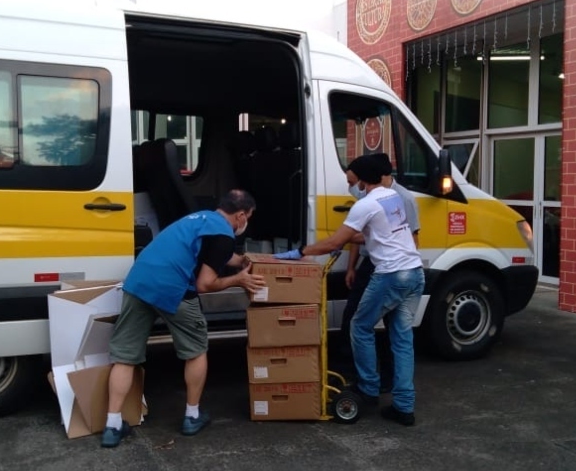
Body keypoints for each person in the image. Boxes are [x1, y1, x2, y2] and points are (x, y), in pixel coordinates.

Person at [102, 189, 266, 448]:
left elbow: (218, 254)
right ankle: (192, 416)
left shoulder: (199, 219)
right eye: (249, 217)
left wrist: (243, 261)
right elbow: (205, 284)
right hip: (173, 289)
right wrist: (239, 279)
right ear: (241, 215)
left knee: (125, 356)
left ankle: (111, 426)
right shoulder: (223, 234)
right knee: (196, 350)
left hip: (138, 283)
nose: (247, 223)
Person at [274, 154, 424, 426]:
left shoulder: (365, 204)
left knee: (359, 326)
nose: (351, 185)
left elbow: (334, 241)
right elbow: (373, 234)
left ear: (363, 180)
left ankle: (368, 388)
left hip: (390, 275)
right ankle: (404, 407)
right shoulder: (392, 199)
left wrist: (299, 252)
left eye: (353, 180)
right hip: (414, 273)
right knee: (402, 339)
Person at [340, 153, 420, 394]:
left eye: (354, 182)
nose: (354, 187)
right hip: (375, 263)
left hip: (389, 268)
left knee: (375, 326)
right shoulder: (370, 196)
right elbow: (360, 233)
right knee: (357, 320)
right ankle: (393, 396)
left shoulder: (402, 198)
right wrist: (352, 266)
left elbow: (412, 238)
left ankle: (375, 385)